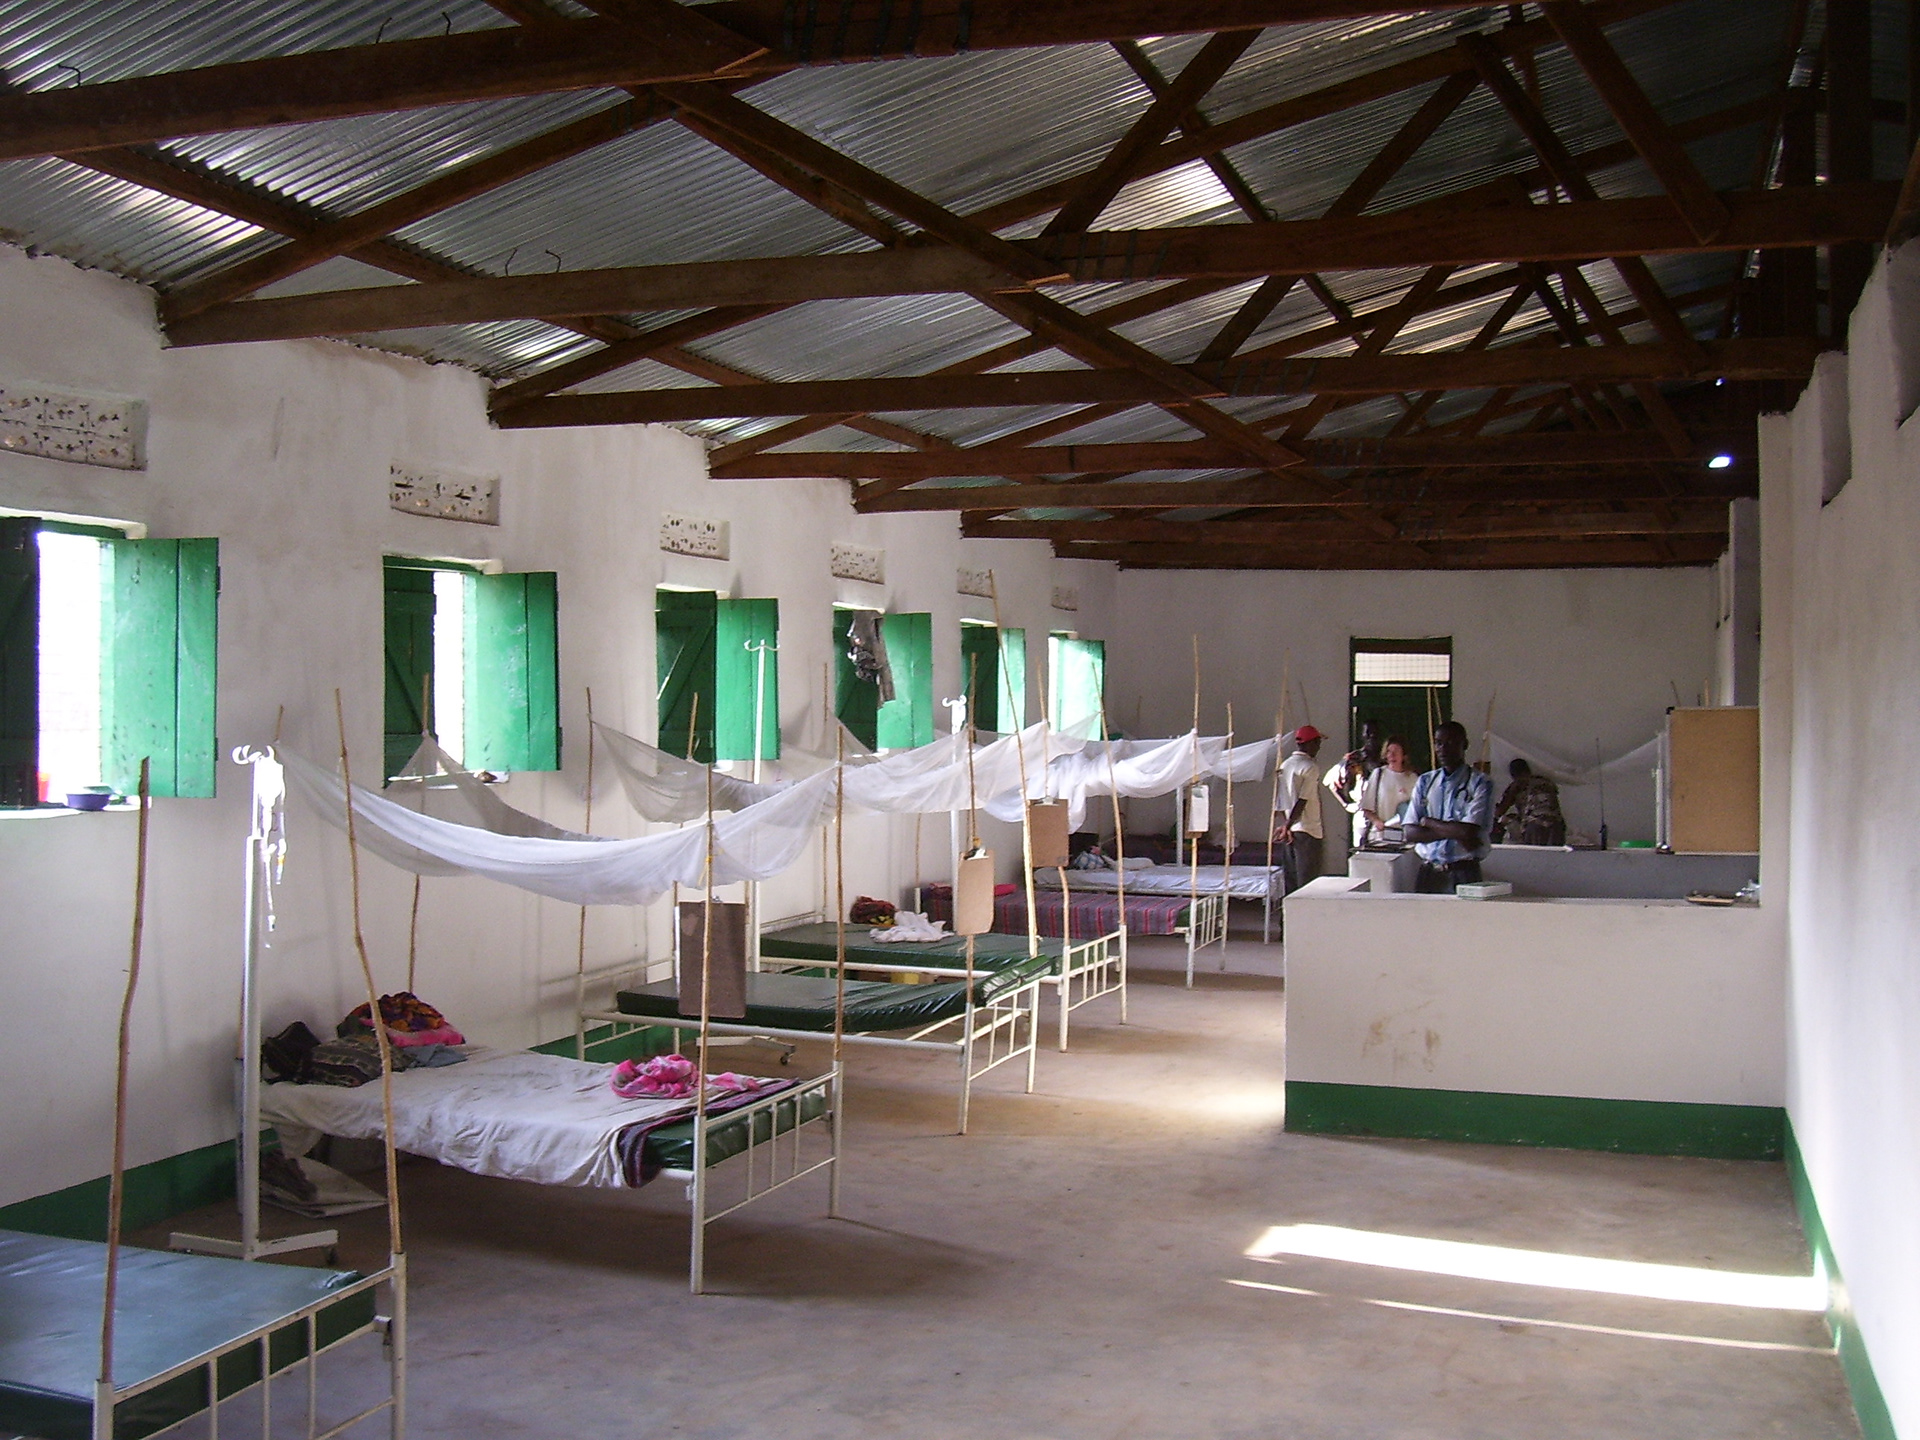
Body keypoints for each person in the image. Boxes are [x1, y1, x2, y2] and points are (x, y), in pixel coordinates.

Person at [1401, 720, 1495, 892]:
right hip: (1429, 872)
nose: (1443, 749)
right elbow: (1410, 833)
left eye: (1450, 742)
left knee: (1465, 918)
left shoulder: (1480, 782)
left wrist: (1428, 822)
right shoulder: (1425, 782)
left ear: (1464, 745)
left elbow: (1468, 832)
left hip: (1465, 873)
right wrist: (1455, 830)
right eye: (1439, 743)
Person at [1272, 725, 1325, 893]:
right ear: (1311, 743)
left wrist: (1285, 826)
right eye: (1317, 742)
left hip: (1290, 831)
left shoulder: (1285, 765)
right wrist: (1287, 826)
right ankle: (1303, 918)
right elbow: (1302, 800)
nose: (1319, 747)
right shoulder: (1310, 767)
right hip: (1307, 831)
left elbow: (1279, 801)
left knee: (1291, 880)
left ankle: (1286, 919)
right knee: (1307, 882)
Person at [1325, 718, 1382, 848]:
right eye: (1367, 733)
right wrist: (1346, 804)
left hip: (1382, 811)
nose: (1370, 736)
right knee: (1360, 852)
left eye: (1373, 732)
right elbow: (1332, 782)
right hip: (1362, 812)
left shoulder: (1385, 756)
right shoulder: (1354, 758)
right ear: (1362, 735)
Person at [1357, 735, 1419, 847]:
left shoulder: (1413, 778)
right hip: (1380, 836)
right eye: (1389, 751)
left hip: (1403, 838)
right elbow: (1366, 807)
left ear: (1404, 755)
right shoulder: (1379, 774)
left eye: (1396, 751)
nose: (1392, 755)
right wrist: (1376, 821)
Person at [1492, 758, 1567, 846]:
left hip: (1535, 826)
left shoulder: (1517, 785)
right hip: (1556, 826)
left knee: (1534, 856)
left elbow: (1500, 811)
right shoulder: (1546, 782)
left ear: (1513, 774)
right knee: (1555, 857)